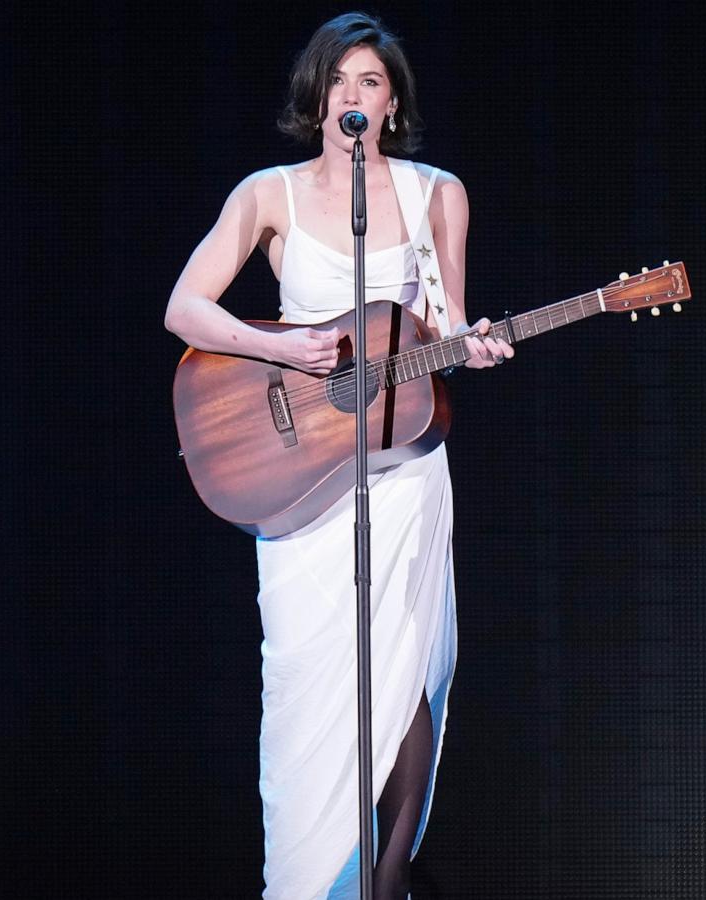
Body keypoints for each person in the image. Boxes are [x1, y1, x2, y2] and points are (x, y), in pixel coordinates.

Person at [163, 12, 512, 899]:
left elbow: (438, 330)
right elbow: (186, 309)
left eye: (373, 84)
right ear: (316, 98)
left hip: (402, 474)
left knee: (404, 682)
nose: (354, 99)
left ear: (392, 106)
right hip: (302, 481)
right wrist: (280, 349)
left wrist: (472, 345)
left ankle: (387, 880)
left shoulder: (439, 193)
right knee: (308, 702)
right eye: (341, 83)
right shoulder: (267, 194)